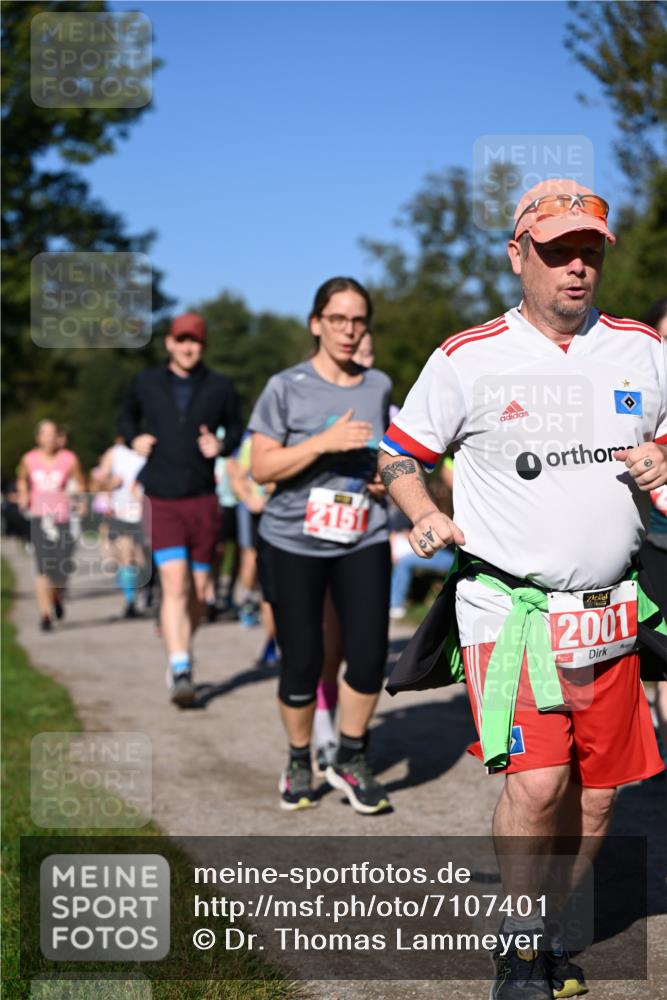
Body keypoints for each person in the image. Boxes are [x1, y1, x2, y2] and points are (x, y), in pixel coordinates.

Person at [378, 179, 667, 999]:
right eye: (556, 252)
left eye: (588, 253)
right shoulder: (467, 357)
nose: (575, 268)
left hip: (608, 611)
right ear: (517, 256)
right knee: (538, 783)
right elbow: (398, 455)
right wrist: (423, 512)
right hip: (508, 609)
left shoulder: (641, 348)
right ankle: (516, 947)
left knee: (599, 800)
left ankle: (549, 930)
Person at [250, 277, 393, 814]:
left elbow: (380, 454)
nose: (349, 331)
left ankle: (350, 756)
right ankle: (298, 759)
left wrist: (380, 478)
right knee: (304, 659)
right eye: (338, 319)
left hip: (362, 533)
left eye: (358, 321)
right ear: (316, 323)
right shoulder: (285, 387)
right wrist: (322, 443)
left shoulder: (378, 385)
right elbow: (262, 467)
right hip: (293, 539)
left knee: (369, 655)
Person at [119, 311, 243, 706]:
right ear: (170, 343)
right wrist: (133, 438)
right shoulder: (146, 381)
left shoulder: (220, 385)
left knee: (200, 593)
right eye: (182, 340)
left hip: (203, 497)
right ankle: (180, 667)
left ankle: (182, 647)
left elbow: (237, 428)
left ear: (203, 346)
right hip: (161, 497)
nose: (189, 347)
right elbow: (125, 416)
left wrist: (221, 445)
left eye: (196, 341)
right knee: (174, 583)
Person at [16, 419, 86, 630]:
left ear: (58, 437)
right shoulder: (29, 459)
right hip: (39, 518)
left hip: (62, 518)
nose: (49, 438)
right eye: (45, 434)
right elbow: (22, 479)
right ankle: (45, 615)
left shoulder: (69, 459)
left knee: (60, 568)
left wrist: (80, 499)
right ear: (38, 438)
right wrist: (23, 494)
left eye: (53, 434)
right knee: (42, 568)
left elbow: (80, 484)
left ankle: (56, 595)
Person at [92, 438, 147, 618]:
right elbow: (98, 485)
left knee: (142, 558)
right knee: (126, 556)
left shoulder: (152, 447)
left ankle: (146, 590)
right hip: (121, 514)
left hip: (146, 512)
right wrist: (111, 484)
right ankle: (130, 601)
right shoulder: (115, 453)